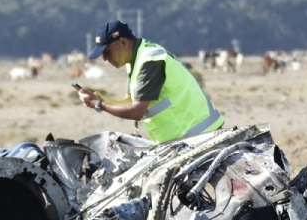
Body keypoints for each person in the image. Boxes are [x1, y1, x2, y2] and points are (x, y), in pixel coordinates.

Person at [77, 19, 224, 143]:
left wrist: (99, 105)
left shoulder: (149, 61)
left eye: (107, 52)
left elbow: (137, 111)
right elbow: (131, 101)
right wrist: (102, 100)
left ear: (122, 42)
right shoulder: (136, 59)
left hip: (200, 137)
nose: (105, 59)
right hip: (186, 139)